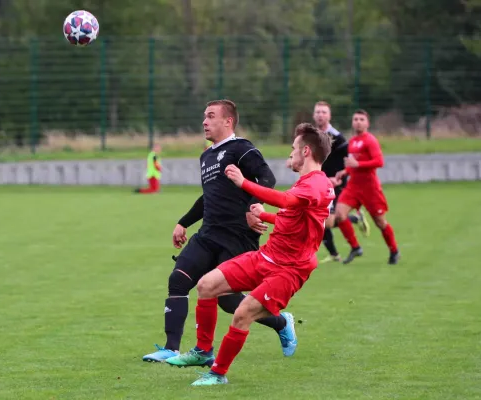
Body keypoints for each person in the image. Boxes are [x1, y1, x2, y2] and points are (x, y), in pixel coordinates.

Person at [165, 123, 335, 386]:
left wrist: (244, 183)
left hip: (289, 269)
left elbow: (287, 202)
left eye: (293, 149)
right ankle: (203, 352)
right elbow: (293, 218)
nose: (290, 154)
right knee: (207, 285)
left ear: (306, 151)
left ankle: (218, 374)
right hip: (267, 256)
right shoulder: (305, 183)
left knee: (242, 313)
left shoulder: (318, 184)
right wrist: (262, 215)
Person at [143, 99, 297, 364]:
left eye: (211, 116)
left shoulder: (242, 148)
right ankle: (172, 349)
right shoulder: (207, 156)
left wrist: (253, 208)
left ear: (228, 121)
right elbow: (208, 198)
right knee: (178, 280)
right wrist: (183, 222)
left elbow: (267, 178)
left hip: (238, 236)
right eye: (204, 116)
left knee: (227, 301)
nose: (204, 121)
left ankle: (282, 322)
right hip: (208, 234)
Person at [333, 109, 400, 265]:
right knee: (339, 214)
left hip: (370, 189)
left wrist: (358, 164)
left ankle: (394, 250)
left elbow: (379, 161)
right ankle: (355, 247)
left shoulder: (370, 140)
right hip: (353, 187)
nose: (358, 122)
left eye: (361, 119)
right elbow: (352, 165)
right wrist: (344, 172)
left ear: (367, 123)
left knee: (380, 223)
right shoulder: (353, 142)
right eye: (355, 119)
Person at [312, 101, 370, 264]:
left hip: (335, 184)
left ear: (329, 116)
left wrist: (341, 176)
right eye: (318, 112)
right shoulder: (311, 136)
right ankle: (334, 254)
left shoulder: (338, 138)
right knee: (319, 220)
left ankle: (353, 219)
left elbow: (351, 159)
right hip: (317, 184)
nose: (320, 115)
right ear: (313, 115)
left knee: (328, 221)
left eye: (324, 112)